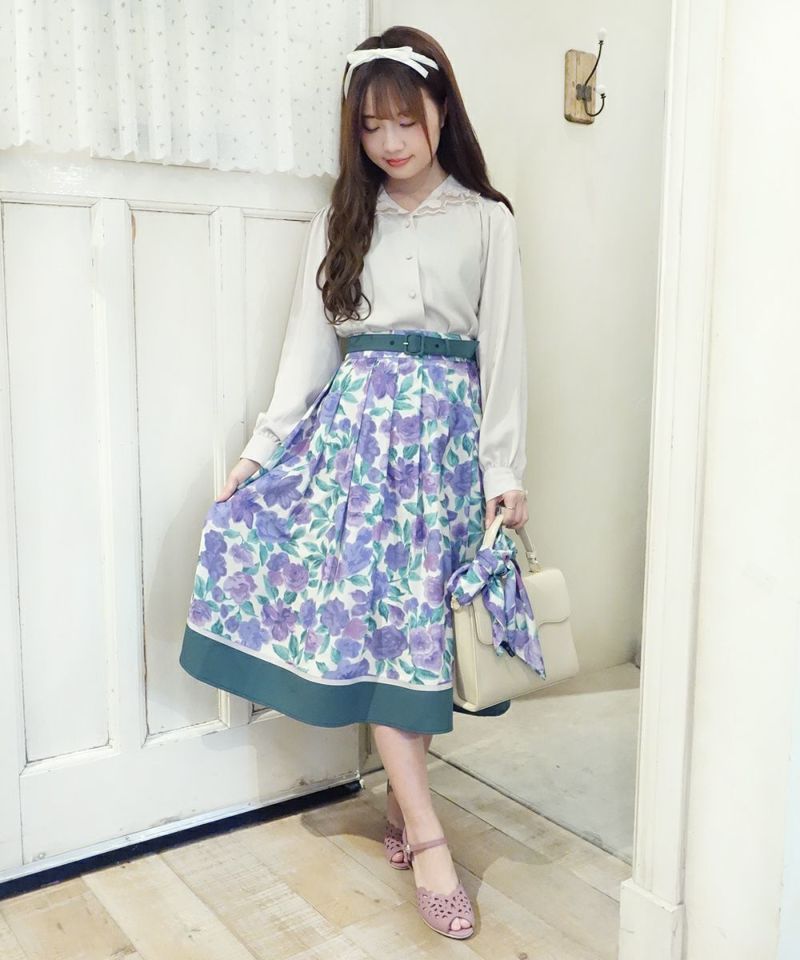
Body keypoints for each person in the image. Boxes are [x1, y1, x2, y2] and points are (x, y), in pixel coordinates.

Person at [179, 24, 530, 940]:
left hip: (443, 454)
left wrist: (503, 471)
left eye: (405, 120)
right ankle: (429, 836)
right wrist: (259, 454)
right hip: (356, 455)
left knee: (418, 644)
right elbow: (309, 349)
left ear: (441, 111)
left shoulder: (487, 221)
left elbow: (505, 356)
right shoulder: (341, 219)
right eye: (370, 126)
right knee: (382, 638)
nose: (389, 142)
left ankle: (405, 807)